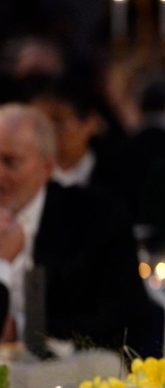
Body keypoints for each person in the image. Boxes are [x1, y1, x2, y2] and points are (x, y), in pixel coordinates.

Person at [0, 104, 149, 354]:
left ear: (47, 168)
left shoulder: (97, 219)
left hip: (68, 369)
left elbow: (124, 316)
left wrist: (25, 330)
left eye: (10, 162)